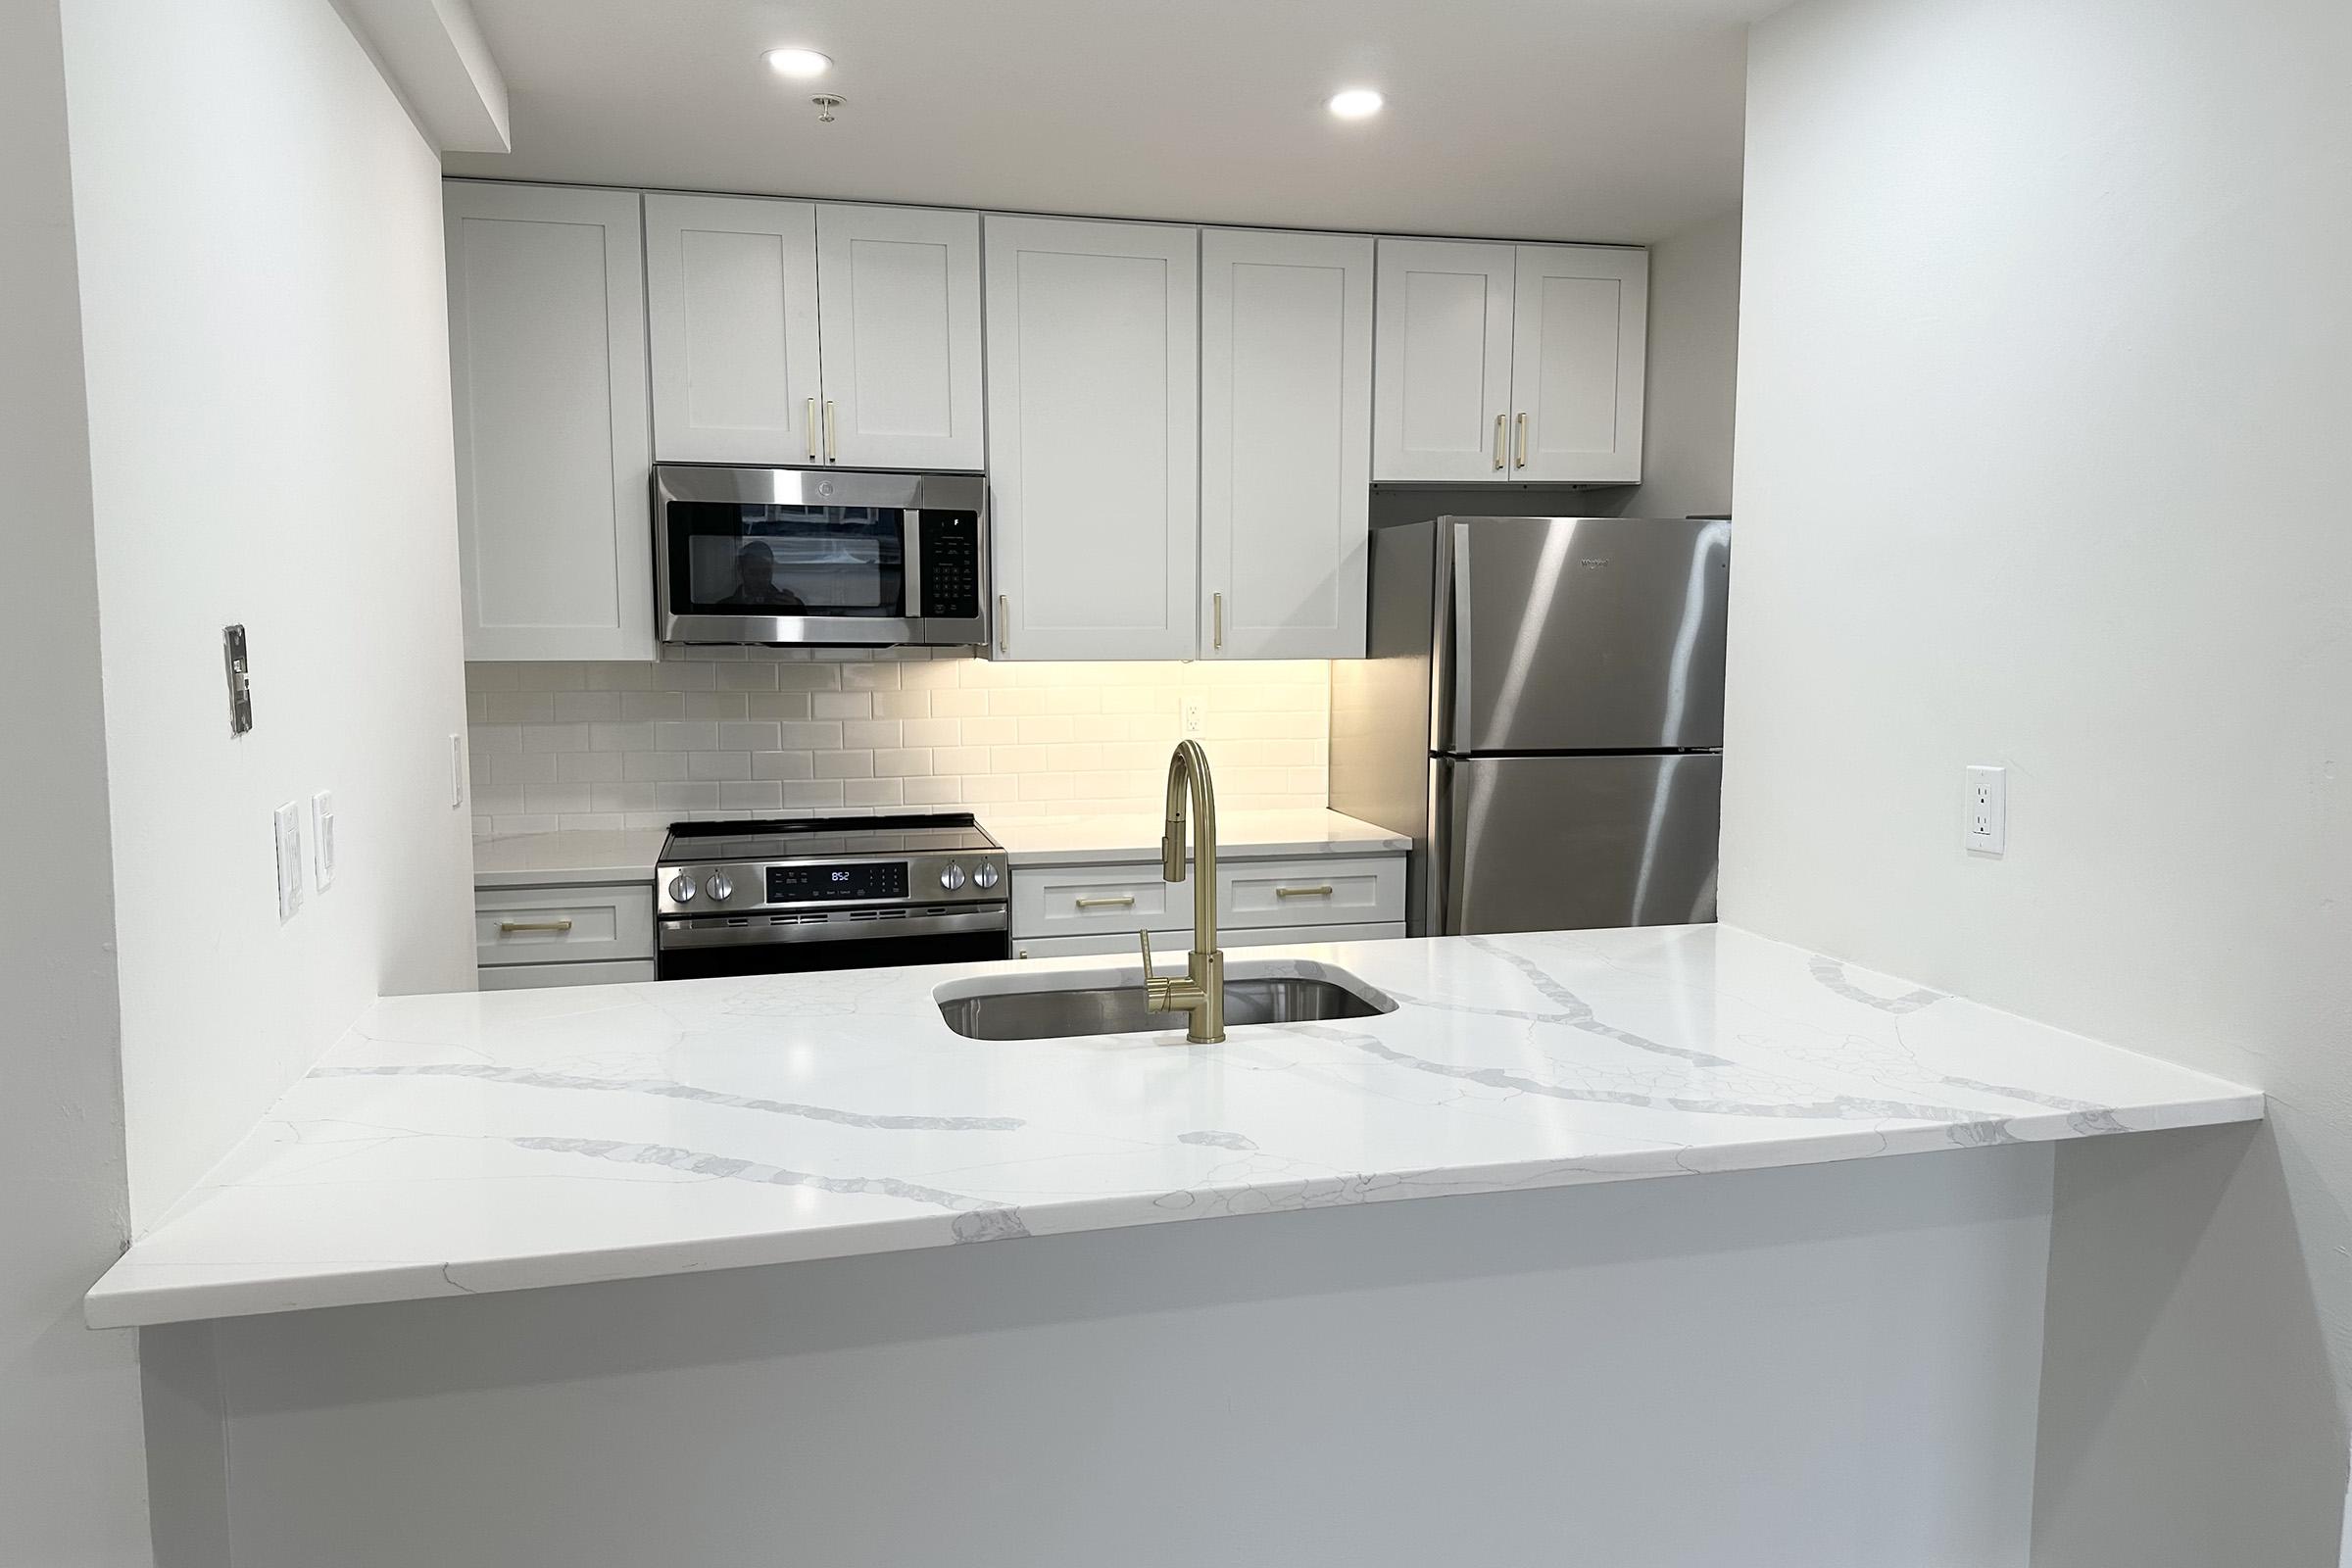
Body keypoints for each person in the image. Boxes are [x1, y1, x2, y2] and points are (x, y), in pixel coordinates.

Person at [720, 540, 805, 609]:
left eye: (766, 572)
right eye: (753, 573)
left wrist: (795, 610)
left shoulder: (790, 604)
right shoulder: (723, 607)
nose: (760, 579)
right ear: (740, 570)